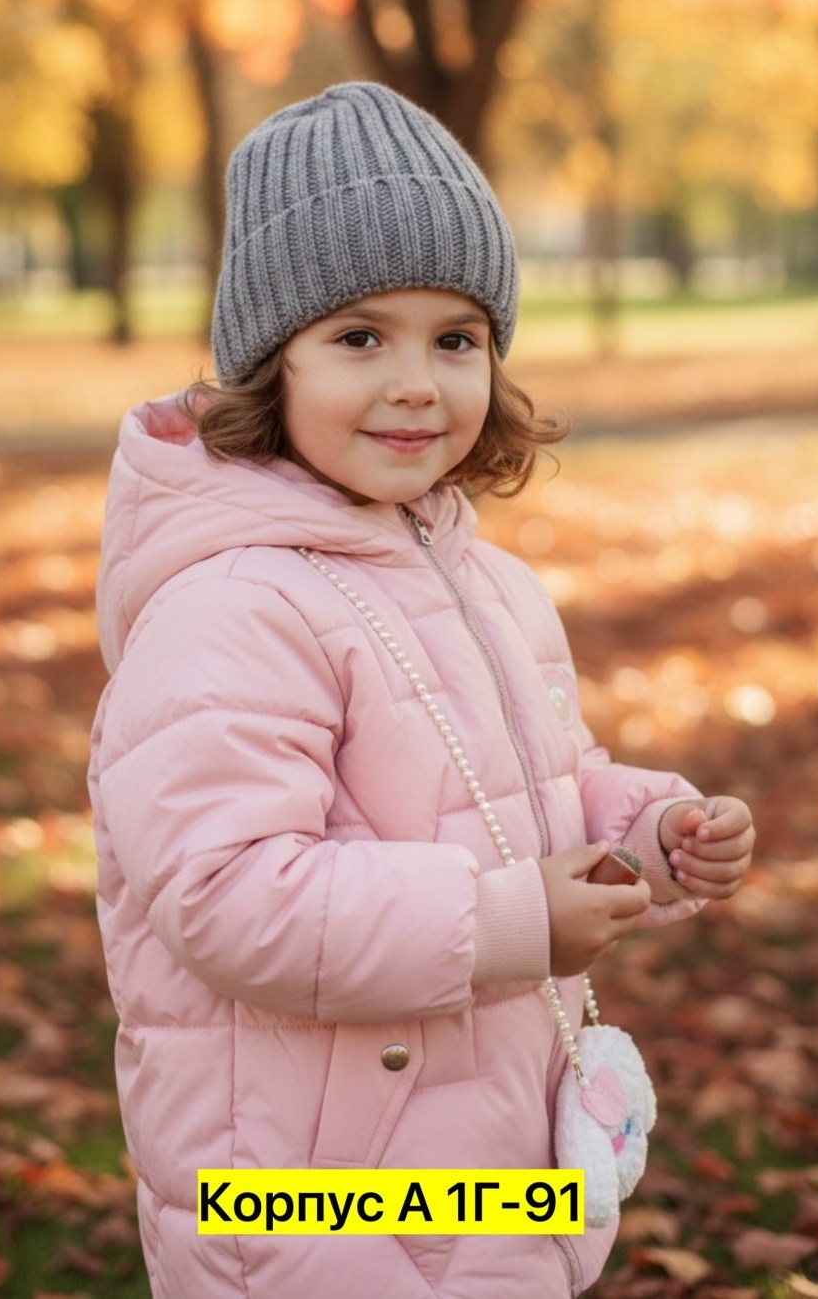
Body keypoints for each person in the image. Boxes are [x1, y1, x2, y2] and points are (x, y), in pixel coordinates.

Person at [89, 82, 755, 1299]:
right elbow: (228, 895)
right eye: (359, 338)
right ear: (266, 362)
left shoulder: (484, 581)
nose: (417, 383)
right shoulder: (232, 606)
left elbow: (531, 788)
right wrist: (510, 921)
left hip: (478, 1137)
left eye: (456, 338)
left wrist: (645, 832)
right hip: (313, 1187)